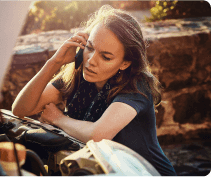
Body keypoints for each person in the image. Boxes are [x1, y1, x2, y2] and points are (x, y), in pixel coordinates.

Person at [12, 5, 176, 176]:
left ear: (125, 63)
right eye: (89, 48)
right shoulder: (78, 75)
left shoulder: (137, 86)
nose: (91, 61)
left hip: (146, 173)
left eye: (106, 57)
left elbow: (97, 135)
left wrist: (58, 118)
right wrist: (54, 62)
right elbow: (21, 109)